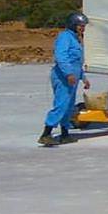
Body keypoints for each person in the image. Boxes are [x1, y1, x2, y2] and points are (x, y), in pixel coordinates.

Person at [38, 13, 91, 146]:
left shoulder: (76, 39)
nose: (82, 28)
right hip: (63, 77)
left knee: (69, 106)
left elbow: (76, 62)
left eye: (83, 26)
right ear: (73, 25)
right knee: (61, 104)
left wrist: (83, 78)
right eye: (80, 26)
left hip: (72, 77)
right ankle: (46, 134)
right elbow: (61, 57)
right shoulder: (65, 37)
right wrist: (68, 74)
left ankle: (65, 134)